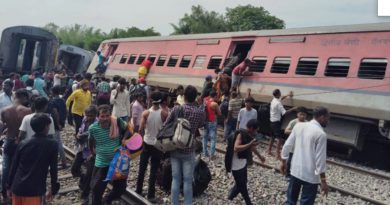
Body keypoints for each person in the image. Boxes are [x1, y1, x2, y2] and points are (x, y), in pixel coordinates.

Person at [280, 106, 330, 205]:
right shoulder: (321, 134)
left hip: (295, 171)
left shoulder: (299, 126)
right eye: (327, 118)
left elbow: (287, 145)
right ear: (322, 117)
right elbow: (320, 160)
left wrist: (283, 162)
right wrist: (323, 181)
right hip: (311, 176)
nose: (328, 121)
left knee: (290, 201)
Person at [8, 113, 60, 205]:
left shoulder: (23, 143)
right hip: (34, 190)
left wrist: (9, 186)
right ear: (45, 127)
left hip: (17, 188)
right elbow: (53, 168)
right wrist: (53, 189)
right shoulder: (52, 144)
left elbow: (14, 165)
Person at [167, 85, 205, 205]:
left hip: (175, 148)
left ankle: (174, 203)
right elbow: (200, 125)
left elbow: (166, 124)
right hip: (189, 150)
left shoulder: (176, 109)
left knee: (176, 179)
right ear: (195, 98)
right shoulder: (199, 112)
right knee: (188, 180)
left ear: (184, 96)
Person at [88, 105, 127, 205]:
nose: (105, 118)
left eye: (107, 116)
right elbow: (90, 142)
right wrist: (93, 153)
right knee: (96, 189)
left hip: (117, 163)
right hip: (102, 163)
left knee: (120, 188)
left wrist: (124, 139)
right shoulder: (93, 128)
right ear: (98, 117)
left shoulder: (117, 122)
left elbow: (127, 128)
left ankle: (106, 200)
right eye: (102, 116)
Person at [135, 91, 168, 202]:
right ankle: (151, 195)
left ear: (150, 99)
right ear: (161, 100)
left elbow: (140, 129)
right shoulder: (164, 114)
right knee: (153, 170)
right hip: (157, 145)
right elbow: (166, 129)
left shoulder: (145, 113)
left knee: (142, 168)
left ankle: (138, 190)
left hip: (146, 143)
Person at [1, 89, 31, 200]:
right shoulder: (28, 111)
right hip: (22, 142)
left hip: (9, 140)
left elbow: (5, 125)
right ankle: (18, 191)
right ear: (24, 97)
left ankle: (4, 192)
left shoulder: (5, 110)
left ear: (15, 96)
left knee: (6, 168)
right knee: (20, 167)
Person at [228, 119, 265, 205]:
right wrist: (250, 144)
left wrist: (260, 156)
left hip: (242, 163)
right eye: (256, 130)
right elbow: (236, 148)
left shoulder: (248, 134)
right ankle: (248, 202)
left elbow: (252, 147)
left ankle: (231, 196)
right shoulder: (241, 134)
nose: (256, 132)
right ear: (252, 128)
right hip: (236, 165)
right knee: (242, 185)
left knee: (242, 182)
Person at [71, 105, 98, 204]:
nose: (89, 117)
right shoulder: (84, 119)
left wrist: (80, 135)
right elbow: (81, 129)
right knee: (74, 169)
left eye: (91, 115)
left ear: (95, 115)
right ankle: (81, 178)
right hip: (82, 148)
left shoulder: (97, 123)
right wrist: (78, 133)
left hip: (92, 151)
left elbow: (90, 133)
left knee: (88, 175)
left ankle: (85, 195)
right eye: (87, 115)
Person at [268, 89, 296, 160]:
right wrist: (293, 109)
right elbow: (284, 113)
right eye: (280, 93)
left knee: (272, 137)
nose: (281, 94)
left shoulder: (274, 100)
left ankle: (269, 151)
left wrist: (287, 95)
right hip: (276, 122)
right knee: (279, 139)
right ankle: (277, 155)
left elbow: (281, 98)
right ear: (278, 94)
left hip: (271, 121)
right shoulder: (278, 103)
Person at [284, 106, 308, 178]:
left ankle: (297, 175)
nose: (302, 116)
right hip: (293, 146)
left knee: (299, 162)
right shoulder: (293, 122)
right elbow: (286, 131)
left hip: (302, 146)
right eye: (301, 114)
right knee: (290, 161)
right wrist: (295, 131)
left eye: (304, 114)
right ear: (297, 114)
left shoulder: (307, 123)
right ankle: (287, 174)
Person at [47, 85, 67, 168]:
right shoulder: (62, 100)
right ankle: (62, 159)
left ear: (52, 92)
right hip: (60, 122)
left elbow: (55, 113)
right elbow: (65, 111)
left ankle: (63, 160)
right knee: (57, 141)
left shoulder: (52, 102)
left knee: (57, 142)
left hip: (55, 124)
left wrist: (58, 124)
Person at [202, 91, 221, 160]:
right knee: (213, 139)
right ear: (215, 96)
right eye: (217, 96)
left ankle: (205, 153)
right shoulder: (214, 104)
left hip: (205, 122)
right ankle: (211, 155)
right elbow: (219, 113)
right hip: (212, 122)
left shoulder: (205, 101)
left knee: (205, 138)